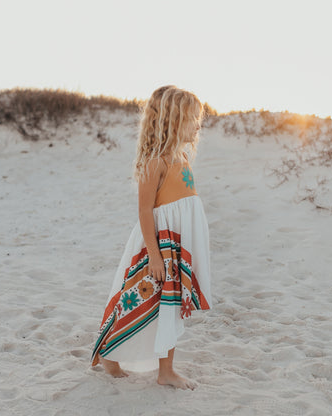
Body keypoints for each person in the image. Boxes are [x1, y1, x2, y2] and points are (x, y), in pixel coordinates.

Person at [90, 86, 213, 390]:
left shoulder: (181, 157)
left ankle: (165, 370)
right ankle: (111, 356)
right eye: (191, 119)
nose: (197, 125)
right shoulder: (156, 162)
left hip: (179, 246)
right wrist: (156, 255)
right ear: (172, 121)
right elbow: (145, 211)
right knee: (138, 301)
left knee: (168, 305)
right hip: (160, 246)